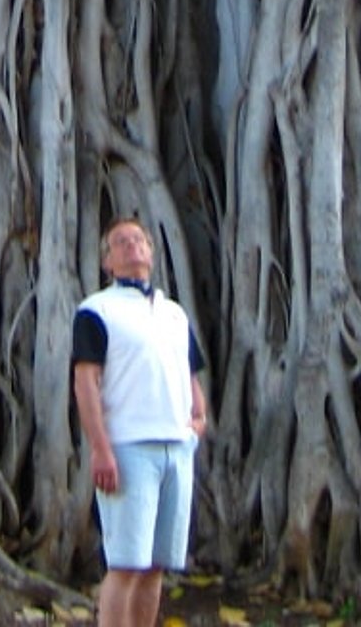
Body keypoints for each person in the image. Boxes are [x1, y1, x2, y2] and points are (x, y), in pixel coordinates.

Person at [72, 216, 209, 627]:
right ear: (107, 262)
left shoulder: (173, 314)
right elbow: (86, 381)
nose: (132, 246)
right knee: (126, 564)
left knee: (155, 566)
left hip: (176, 450)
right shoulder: (96, 311)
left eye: (138, 240)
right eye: (120, 243)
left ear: (151, 252)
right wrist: (100, 448)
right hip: (128, 450)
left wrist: (197, 421)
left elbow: (189, 374)